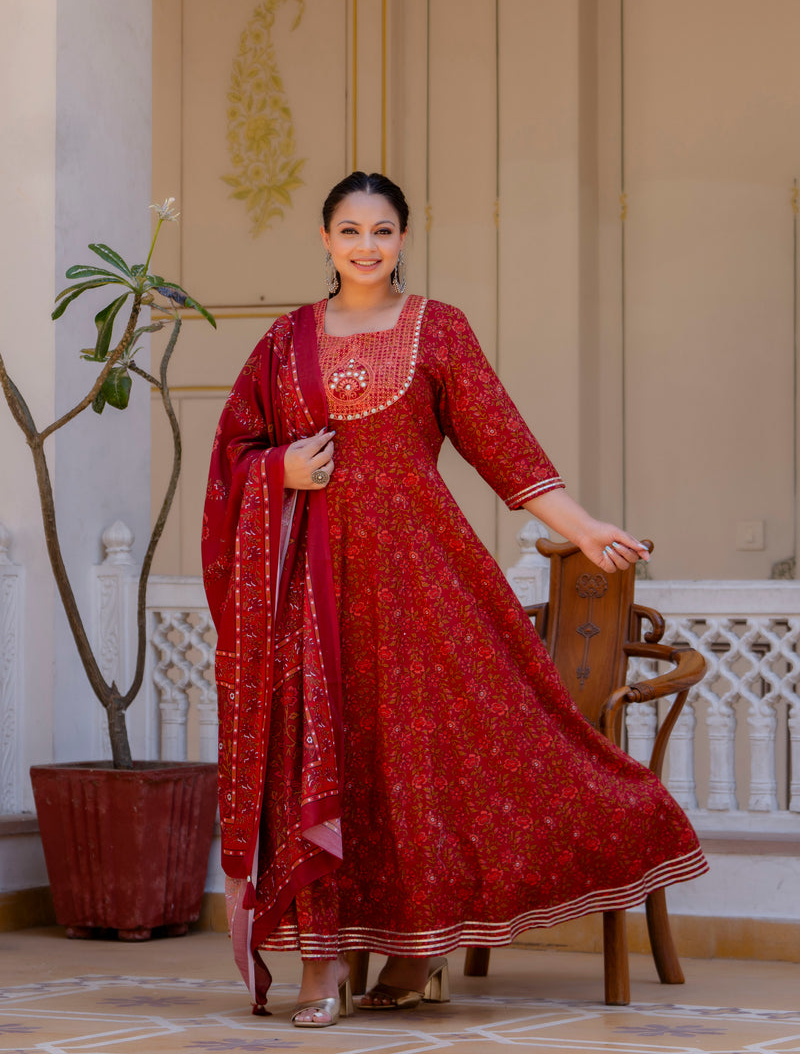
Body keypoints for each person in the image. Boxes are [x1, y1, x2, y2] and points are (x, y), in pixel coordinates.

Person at [202, 171, 707, 1028]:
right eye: (351, 231)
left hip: (418, 580)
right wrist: (277, 470)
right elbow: (234, 450)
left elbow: (501, 444)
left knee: (417, 763)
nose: (367, 247)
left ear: (405, 238)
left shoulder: (439, 330)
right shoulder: (284, 345)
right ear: (324, 240)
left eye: (383, 231)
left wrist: (581, 527)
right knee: (318, 759)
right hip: (313, 588)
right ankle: (319, 970)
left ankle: (415, 950)